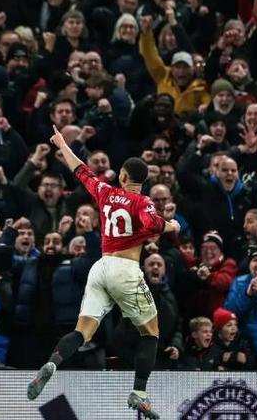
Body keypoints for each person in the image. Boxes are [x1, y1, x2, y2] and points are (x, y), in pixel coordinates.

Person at [27, 125, 180, 419]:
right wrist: (171, 226)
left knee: (82, 331)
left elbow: (81, 171)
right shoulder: (143, 201)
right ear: (143, 181)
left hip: (100, 267)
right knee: (150, 333)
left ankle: (52, 363)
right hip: (126, 270)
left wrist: (62, 144)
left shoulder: (106, 192)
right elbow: (152, 224)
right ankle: (139, 393)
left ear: (122, 177)